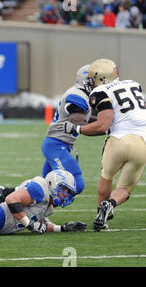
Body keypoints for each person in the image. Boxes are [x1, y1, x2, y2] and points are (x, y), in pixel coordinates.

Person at [58, 58, 146, 231]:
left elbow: (103, 125)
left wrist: (76, 129)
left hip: (119, 140)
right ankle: (110, 204)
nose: (91, 83)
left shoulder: (100, 91)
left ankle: (101, 215)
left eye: (92, 79)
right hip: (142, 142)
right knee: (125, 188)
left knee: (107, 176)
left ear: (101, 78)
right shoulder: (134, 84)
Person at [40, 64, 96, 196]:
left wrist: (104, 122)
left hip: (57, 145)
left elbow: (84, 118)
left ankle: (8, 194)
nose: (98, 83)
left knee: (45, 187)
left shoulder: (80, 94)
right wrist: (103, 128)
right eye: (95, 80)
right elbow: (77, 121)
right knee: (75, 183)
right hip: (56, 145)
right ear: (86, 81)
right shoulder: (77, 96)